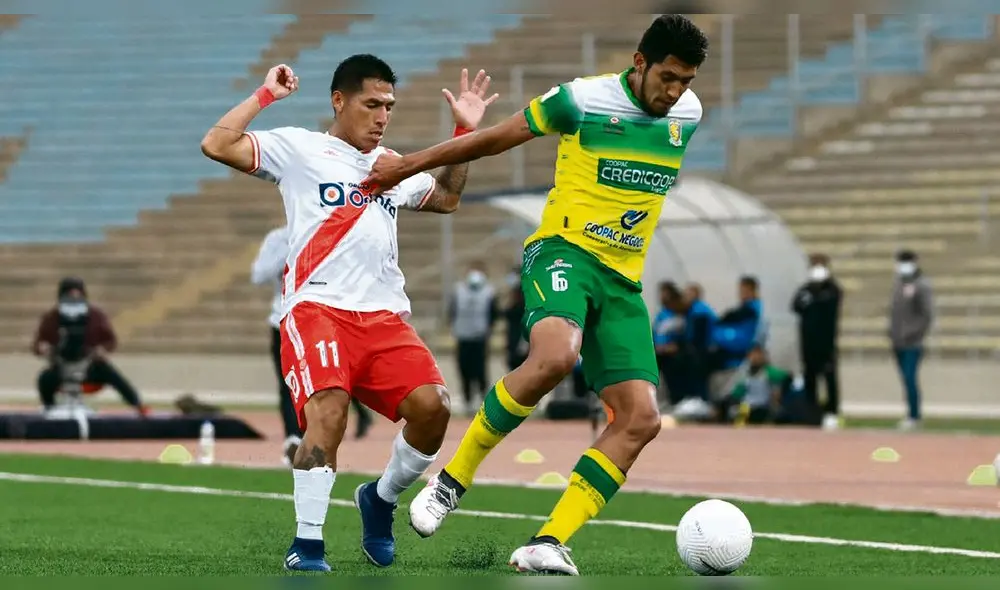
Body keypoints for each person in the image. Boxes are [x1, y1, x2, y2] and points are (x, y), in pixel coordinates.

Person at [362, 14, 708, 575]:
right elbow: (498, 138)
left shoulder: (687, 115)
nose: (675, 93)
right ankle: (451, 481)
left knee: (642, 418)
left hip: (622, 281)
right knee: (555, 356)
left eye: (686, 82)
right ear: (640, 62)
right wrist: (410, 164)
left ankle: (548, 542)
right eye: (668, 77)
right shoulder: (581, 101)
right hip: (563, 252)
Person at [201, 55, 498, 572]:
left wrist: (462, 133)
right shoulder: (299, 148)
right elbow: (217, 143)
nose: (383, 116)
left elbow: (448, 197)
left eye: (390, 106)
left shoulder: (393, 165)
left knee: (434, 409)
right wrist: (265, 95)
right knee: (329, 411)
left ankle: (379, 499)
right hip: (318, 309)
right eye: (372, 104)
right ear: (339, 100)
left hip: (383, 318)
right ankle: (309, 546)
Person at [251, 225, 375, 465]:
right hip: (284, 319)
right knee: (288, 382)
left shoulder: (326, 230)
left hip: (321, 320)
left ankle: (343, 424)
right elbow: (258, 275)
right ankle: (293, 440)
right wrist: (289, 252)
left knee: (330, 379)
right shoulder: (278, 239)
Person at [33, 277, 149, 416]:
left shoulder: (96, 316)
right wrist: (43, 347)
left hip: (89, 364)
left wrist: (102, 349)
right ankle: (49, 408)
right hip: (61, 365)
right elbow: (38, 343)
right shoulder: (51, 318)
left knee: (111, 373)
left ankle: (137, 405)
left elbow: (110, 340)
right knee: (45, 379)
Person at [790, 253, 843, 430]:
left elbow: (828, 306)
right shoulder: (805, 289)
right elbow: (795, 306)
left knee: (829, 379)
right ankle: (811, 413)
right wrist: (809, 296)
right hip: (808, 344)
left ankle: (832, 412)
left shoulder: (832, 289)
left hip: (826, 344)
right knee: (810, 379)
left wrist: (815, 297)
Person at [888, 250, 933, 431]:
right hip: (897, 341)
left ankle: (914, 415)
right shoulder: (898, 284)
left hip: (913, 342)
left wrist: (914, 333)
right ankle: (910, 413)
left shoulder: (922, 285)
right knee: (905, 379)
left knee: (910, 376)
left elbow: (927, 314)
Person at [448, 261, 500, 415]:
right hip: (463, 337)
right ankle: (468, 400)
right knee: (464, 369)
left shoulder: (489, 292)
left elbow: (493, 314)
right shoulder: (458, 291)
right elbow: (452, 311)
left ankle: (483, 400)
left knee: (480, 370)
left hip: (480, 337)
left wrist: (487, 330)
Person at [502, 265, 528, 372]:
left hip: (522, 344)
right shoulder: (513, 299)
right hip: (513, 344)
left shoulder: (524, 302)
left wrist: (525, 344)